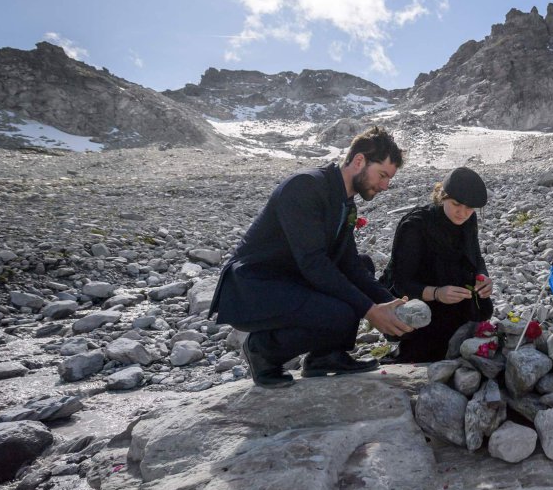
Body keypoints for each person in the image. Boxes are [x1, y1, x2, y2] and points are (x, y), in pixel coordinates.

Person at [208, 127, 414, 388]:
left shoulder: (344, 202)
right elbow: (313, 263)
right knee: (341, 310)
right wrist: (371, 311)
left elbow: (350, 266)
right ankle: (262, 350)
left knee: (363, 265)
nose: (385, 186)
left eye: (389, 179)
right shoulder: (305, 186)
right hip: (253, 287)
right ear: (359, 161)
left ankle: (326, 356)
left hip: (290, 280)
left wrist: (393, 307)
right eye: (382, 175)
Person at [380, 167, 494, 363]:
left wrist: (482, 278)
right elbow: (401, 283)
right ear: (442, 197)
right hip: (419, 302)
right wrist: (436, 293)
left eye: (470, 208)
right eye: (456, 204)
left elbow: (475, 258)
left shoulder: (468, 219)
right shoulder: (415, 226)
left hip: (454, 297)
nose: (463, 213)